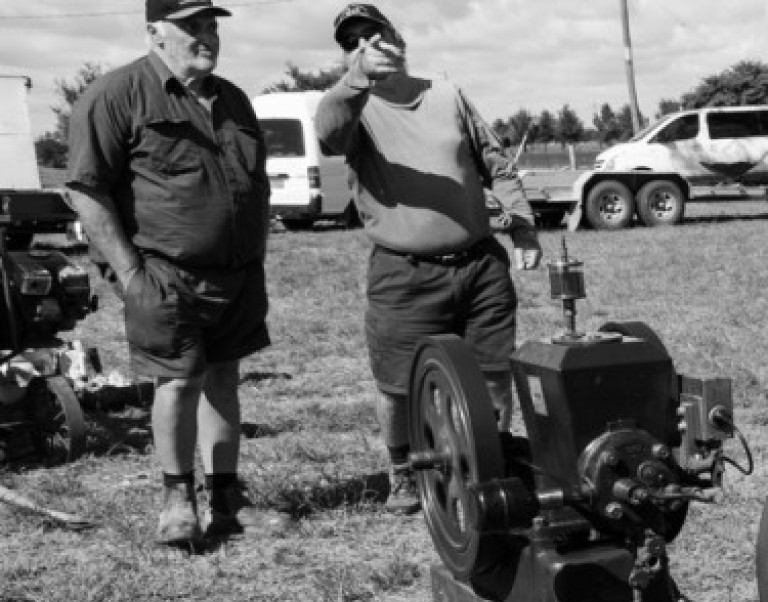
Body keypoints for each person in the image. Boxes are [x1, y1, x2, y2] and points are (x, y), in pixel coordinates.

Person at [315, 3, 542, 513]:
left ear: (398, 37)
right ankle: (402, 471)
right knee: (397, 386)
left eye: (375, 33)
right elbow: (328, 133)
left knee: (494, 376)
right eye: (353, 42)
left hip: (480, 265)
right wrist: (356, 80)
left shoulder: (447, 93)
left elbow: (495, 163)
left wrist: (523, 228)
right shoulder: (353, 106)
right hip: (405, 273)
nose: (368, 45)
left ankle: (491, 463)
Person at [67, 0, 273, 546]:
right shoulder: (116, 94)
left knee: (224, 379)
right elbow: (87, 189)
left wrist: (256, 251)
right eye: (191, 26)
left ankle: (227, 499)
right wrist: (131, 274)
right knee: (180, 381)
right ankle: (177, 500)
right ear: (155, 31)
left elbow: (257, 185)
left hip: (237, 274)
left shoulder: (235, 100)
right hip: (162, 273)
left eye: (211, 25)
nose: (206, 35)